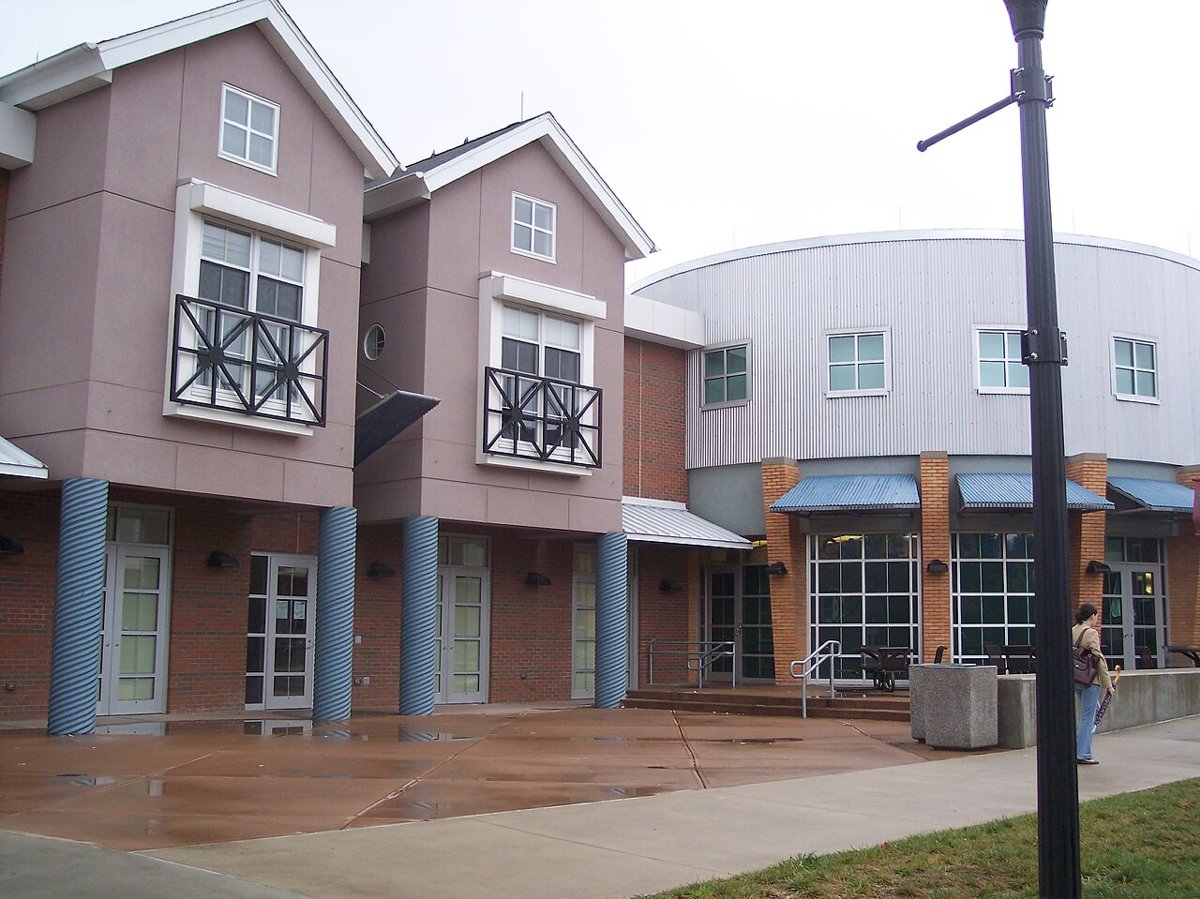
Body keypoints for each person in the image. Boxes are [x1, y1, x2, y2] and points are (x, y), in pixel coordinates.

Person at [1072, 602, 1114, 765]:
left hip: (1076, 678)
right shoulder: (1091, 633)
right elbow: (1099, 660)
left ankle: (1079, 747)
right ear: (1092, 616)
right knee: (1088, 717)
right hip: (1090, 680)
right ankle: (1083, 753)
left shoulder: (1073, 630)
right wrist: (1108, 685)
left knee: (1092, 712)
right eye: (1097, 616)